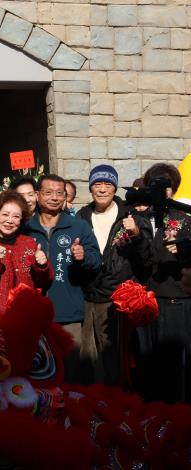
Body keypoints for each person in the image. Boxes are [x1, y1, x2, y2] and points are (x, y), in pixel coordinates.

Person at [76, 165, 152, 386]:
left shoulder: (130, 215)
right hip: (87, 295)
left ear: (115, 188)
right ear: (90, 188)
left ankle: (117, 401)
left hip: (117, 298)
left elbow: (147, 259)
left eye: (108, 184)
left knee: (115, 360)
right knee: (88, 358)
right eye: (97, 184)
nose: (102, 189)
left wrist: (136, 234)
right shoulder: (82, 216)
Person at [26, 174, 102, 383]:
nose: (54, 197)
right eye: (48, 192)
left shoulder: (78, 226)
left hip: (68, 313)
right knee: (36, 372)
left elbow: (97, 261)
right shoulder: (25, 228)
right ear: (37, 195)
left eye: (60, 193)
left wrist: (83, 257)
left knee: (70, 373)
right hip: (32, 314)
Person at [134, 163, 191, 402]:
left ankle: (175, 412)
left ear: (173, 189)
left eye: (166, 186)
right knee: (146, 359)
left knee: (174, 364)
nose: (160, 191)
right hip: (145, 299)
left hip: (175, 298)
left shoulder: (184, 219)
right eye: (155, 185)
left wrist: (181, 249)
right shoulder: (138, 218)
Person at [0, 190, 52, 319]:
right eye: (5, 214)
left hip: (26, 316)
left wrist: (42, 266)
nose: (10, 220)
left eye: (16, 216)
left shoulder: (29, 243)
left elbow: (44, 281)